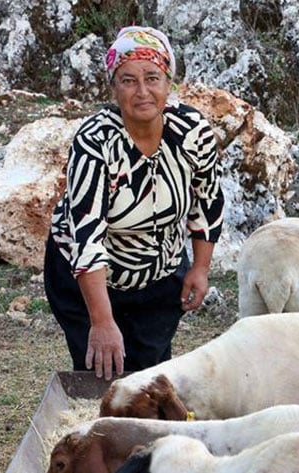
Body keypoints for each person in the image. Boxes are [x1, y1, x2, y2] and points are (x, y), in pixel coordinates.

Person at [45, 26, 225, 379]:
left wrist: (200, 268)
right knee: (102, 373)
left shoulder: (192, 133)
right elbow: (87, 237)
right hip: (88, 279)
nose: (142, 91)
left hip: (159, 274)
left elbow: (207, 202)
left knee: (149, 375)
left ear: (168, 82)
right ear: (113, 87)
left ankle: (150, 434)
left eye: (152, 78)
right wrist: (102, 320)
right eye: (128, 80)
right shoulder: (96, 143)